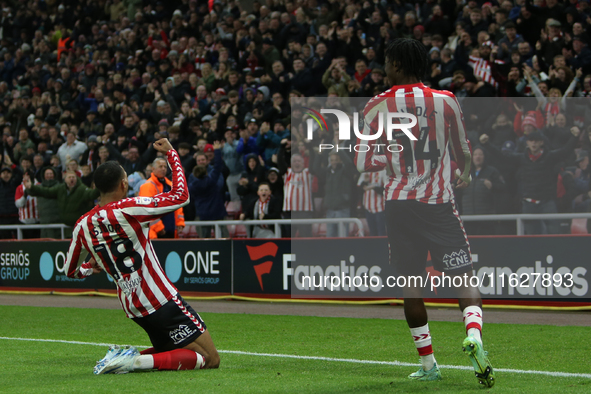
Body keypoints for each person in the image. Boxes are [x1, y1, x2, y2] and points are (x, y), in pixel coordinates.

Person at [354, 38, 494, 387]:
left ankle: (429, 364)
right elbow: (463, 149)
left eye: (386, 63)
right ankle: (474, 335)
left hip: (399, 206)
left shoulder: (377, 105)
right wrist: (459, 174)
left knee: (411, 288)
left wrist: (391, 157)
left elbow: (362, 160)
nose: (384, 69)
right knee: (464, 278)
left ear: (398, 66)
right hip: (438, 204)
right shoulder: (445, 101)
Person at [64, 138, 219, 374]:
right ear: (124, 184)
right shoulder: (130, 209)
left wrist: (89, 267)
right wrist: (172, 154)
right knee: (209, 358)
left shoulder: (82, 225)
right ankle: (133, 362)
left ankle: (122, 358)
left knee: (172, 348)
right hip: (160, 300)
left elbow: (69, 270)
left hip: (133, 307)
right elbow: (181, 196)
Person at [138, 157, 185, 239]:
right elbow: (147, 210)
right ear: (153, 169)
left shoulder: (170, 185)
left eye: (165, 167)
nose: (163, 169)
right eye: (160, 166)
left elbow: (178, 206)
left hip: (171, 231)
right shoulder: (148, 186)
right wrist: (158, 227)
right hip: (156, 233)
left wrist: (179, 223)